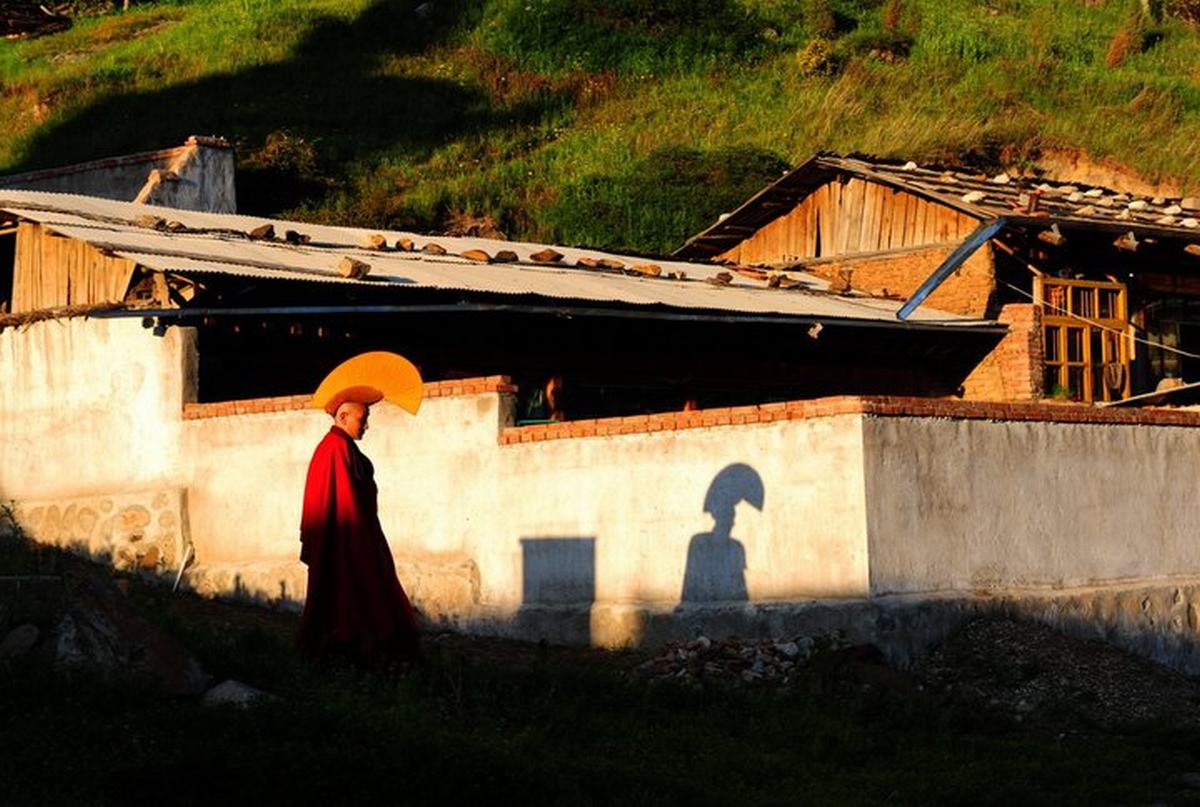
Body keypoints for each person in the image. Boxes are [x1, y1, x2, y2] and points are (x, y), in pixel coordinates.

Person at [297, 400, 420, 664]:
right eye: (361, 418)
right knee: (356, 594)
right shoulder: (335, 449)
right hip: (346, 538)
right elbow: (343, 501)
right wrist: (360, 543)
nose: (366, 425)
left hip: (357, 532)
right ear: (342, 416)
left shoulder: (342, 447)